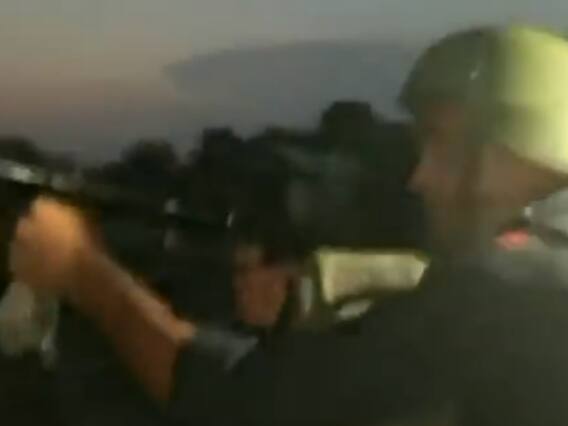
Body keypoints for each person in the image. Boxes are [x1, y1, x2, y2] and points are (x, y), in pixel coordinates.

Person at [11, 24, 568, 425]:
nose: (419, 177)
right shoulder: (541, 266)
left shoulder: (503, 302)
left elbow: (242, 403)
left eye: (442, 146)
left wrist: (80, 268)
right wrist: (324, 282)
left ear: (512, 153)